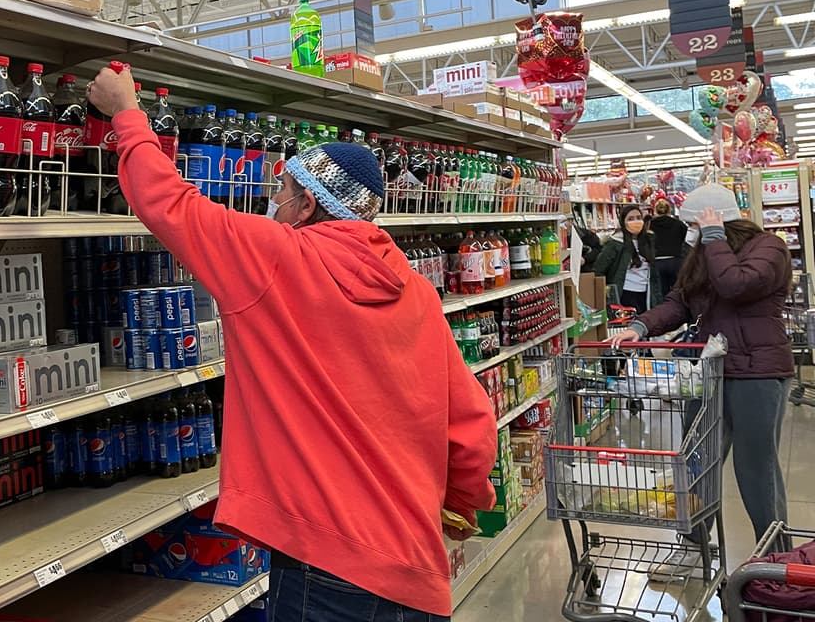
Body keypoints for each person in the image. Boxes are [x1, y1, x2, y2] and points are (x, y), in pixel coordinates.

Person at [86, 64, 497, 622]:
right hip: (417, 570)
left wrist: (127, 114)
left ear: (307, 205)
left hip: (324, 567)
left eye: (281, 190)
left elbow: (170, 203)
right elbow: (471, 424)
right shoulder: (417, 290)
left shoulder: (276, 258)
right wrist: (462, 505)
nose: (272, 201)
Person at [607, 183, 792, 578]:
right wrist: (641, 326)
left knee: (756, 468)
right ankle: (692, 549)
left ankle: (777, 561)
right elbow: (680, 301)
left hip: (758, 372)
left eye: (693, 223)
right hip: (709, 369)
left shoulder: (769, 247)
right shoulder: (704, 252)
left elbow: (736, 285)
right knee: (696, 460)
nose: (688, 231)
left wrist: (712, 238)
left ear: (715, 219)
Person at [593, 204, 662, 314]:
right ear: (623, 222)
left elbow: (654, 273)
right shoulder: (615, 243)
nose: (636, 221)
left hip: (646, 293)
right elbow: (599, 269)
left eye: (638, 218)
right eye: (630, 219)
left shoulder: (648, 241)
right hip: (624, 293)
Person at [649, 198, 688, 294]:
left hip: (657, 262)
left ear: (655, 210)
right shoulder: (678, 224)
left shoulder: (650, 224)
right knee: (677, 292)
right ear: (669, 209)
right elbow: (686, 239)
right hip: (675, 262)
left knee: (660, 293)